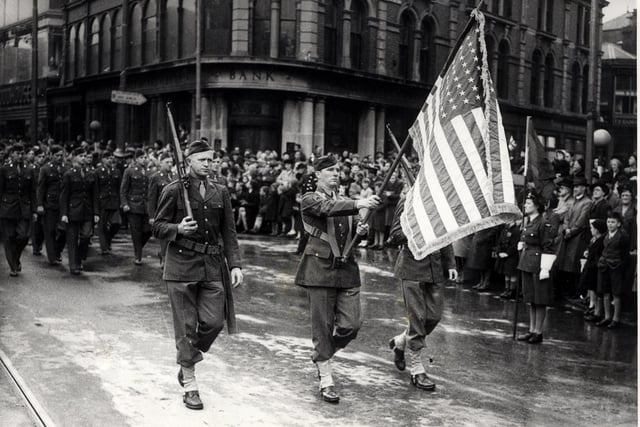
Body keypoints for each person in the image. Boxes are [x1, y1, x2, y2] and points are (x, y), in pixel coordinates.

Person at [152, 140, 243, 411]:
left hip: (212, 266)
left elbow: (229, 231)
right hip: (180, 266)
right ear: (188, 161)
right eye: (202, 159)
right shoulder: (174, 190)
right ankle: (190, 383)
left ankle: (189, 357)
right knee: (186, 327)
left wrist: (235, 264)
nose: (208, 164)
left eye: (211, 160)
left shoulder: (221, 192)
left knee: (215, 321)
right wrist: (178, 228)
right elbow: (157, 226)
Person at [294, 154, 381, 404]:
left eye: (337, 170)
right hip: (319, 270)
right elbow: (326, 209)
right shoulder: (310, 199)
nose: (335, 173)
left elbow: (354, 232)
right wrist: (360, 202)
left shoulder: (344, 201)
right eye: (330, 170)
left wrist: (361, 231)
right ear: (317, 175)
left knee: (351, 325)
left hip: (346, 270)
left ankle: (323, 355)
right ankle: (326, 377)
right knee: (321, 326)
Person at [386, 193, 457, 390]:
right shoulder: (408, 200)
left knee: (433, 317)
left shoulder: (438, 198)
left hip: (435, 267)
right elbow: (394, 235)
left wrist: (450, 263)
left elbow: (446, 234)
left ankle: (400, 341)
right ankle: (417, 369)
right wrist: (418, 229)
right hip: (412, 266)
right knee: (417, 317)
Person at [516, 191, 559, 344]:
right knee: (531, 299)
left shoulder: (543, 222)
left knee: (540, 299)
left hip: (538, 263)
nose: (525, 205)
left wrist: (545, 268)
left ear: (537, 206)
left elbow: (548, 246)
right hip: (527, 262)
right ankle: (531, 329)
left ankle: (538, 331)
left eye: (528, 203)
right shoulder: (529, 221)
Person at [60, 148, 99, 275]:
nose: (83, 158)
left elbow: (95, 195)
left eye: (85, 155)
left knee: (86, 235)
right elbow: (64, 195)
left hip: (87, 210)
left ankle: (79, 258)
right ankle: (73, 265)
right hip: (73, 210)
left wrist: (96, 213)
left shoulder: (91, 174)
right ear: (75, 157)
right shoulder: (69, 174)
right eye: (80, 155)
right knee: (72, 239)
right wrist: (64, 213)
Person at [0, 143, 37, 276]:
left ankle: (16, 258)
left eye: (22, 154)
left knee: (24, 236)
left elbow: (33, 192)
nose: (20, 156)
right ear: (12, 155)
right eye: (17, 153)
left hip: (24, 208)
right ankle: (12, 266)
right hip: (8, 208)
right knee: (9, 237)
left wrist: (34, 210)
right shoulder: (4, 169)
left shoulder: (29, 170)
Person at [553, 176, 591, 300]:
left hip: (578, 237)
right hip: (568, 234)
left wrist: (571, 230)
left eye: (578, 186)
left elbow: (582, 220)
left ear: (584, 188)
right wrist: (566, 228)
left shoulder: (587, 202)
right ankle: (564, 290)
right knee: (565, 263)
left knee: (574, 264)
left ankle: (574, 291)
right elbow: (567, 217)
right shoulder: (574, 200)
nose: (575, 189)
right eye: (574, 187)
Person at [595, 211, 630, 329]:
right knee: (605, 292)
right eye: (608, 222)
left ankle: (616, 319)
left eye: (613, 222)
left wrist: (621, 268)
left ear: (619, 224)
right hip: (604, 266)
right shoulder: (605, 235)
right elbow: (600, 249)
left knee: (616, 293)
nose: (610, 224)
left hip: (616, 266)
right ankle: (607, 316)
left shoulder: (623, 237)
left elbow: (625, 255)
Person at [36, 145, 67, 265]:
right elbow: (41, 188)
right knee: (50, 231)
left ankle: (57, 250)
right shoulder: (45, 169)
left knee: (64, 230)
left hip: (63, 204)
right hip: (50, 204)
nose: (59, 158)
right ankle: (52, 256)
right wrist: (40, 204)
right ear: (51, 156)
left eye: (61, 155)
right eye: (57, 155)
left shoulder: (66, 168)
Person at [120, 149, 151, 265]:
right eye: (142, 158)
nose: (144, 160)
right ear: (136, 159)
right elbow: (123, 189)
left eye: (145, 157)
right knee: (136, 232)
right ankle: (138, 256)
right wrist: (124, 204)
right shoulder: (129, 171)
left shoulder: (149, 172)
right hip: (133, 206)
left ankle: (138, 247)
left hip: (146, 206)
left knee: (148, 230)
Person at [147, 152, 175, 265]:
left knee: (172, 238)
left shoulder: (175, 176)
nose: (169, 164)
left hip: (173, 212)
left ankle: (166, 257)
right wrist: (151, 216)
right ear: (161, 163)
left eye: (171, 162)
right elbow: (151, 197)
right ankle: (164, 260)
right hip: (161, 213)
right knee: (164, 237)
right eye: (166, 162)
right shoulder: (155, 177)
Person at [96, 150, 122, 255]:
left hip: (114, 201)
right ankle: (104, 247)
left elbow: (119, 187)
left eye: (111, 158)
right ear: (102, 160)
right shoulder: (98, 172)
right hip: (102, 201)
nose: (110, 160)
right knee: (102, 225)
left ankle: (108, 239)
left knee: (117, 223)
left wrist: (120, 201)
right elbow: (96, 189)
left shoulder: (116, 171)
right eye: (107, 158)